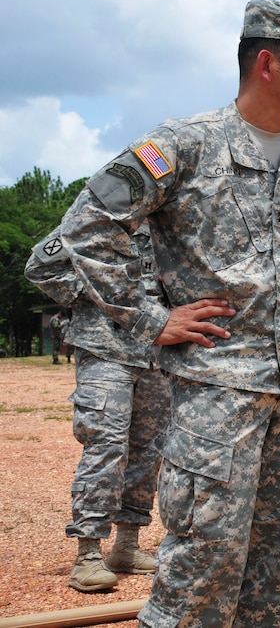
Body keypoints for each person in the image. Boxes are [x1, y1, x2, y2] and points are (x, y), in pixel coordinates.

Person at [59, 0, 280, 626]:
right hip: (217, 398)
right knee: (199, 574)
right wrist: (147, 320)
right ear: (267, 63)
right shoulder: (182, 145)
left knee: (276, 576)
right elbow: (85, 229)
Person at [25, 222, 171, 593]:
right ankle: (88, 554)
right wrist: (94, 295)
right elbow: (41, 265)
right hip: (105, 352)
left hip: (155, 354)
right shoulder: (94, 222)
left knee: (148, 452)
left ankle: (126, 545)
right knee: (106, 446)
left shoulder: (172, 222)